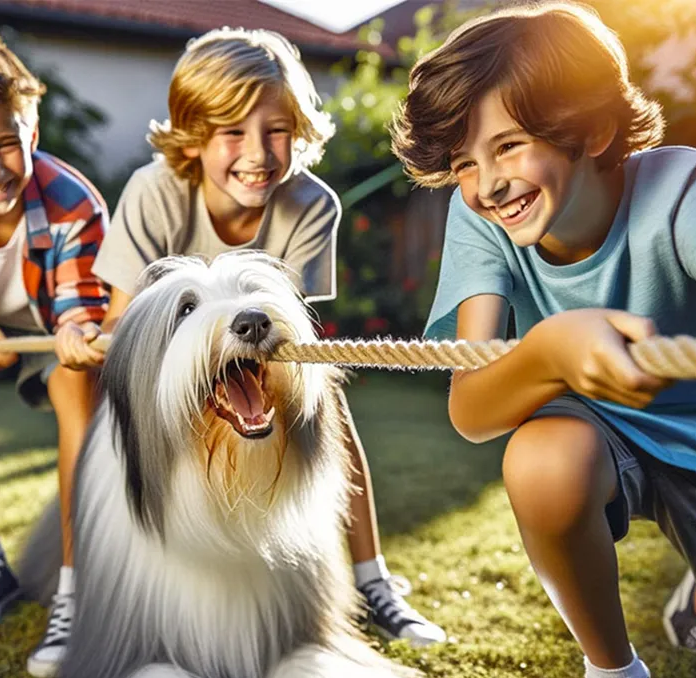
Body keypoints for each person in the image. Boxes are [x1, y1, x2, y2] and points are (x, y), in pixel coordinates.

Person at [390, 0, 696, 678]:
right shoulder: (481, 219)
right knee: (542, 457)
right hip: (600, 440)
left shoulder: (686, 188)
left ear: (590, 129)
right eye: (464, 163)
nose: (484, 185)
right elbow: (473, 407)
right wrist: (551, 349)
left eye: (507, 147)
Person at [56, 28, 445, 646]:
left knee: (329, 403)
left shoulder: (310, 204)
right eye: (232, 133)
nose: (258, 153)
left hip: (260, 350)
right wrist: (83, 337)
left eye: (277, 130)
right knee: (72, 386)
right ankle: (76, 585)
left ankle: (374, 580)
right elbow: (120, 326)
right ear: (194, 138)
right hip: (166, 362)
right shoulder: (153, 192)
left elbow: (295, 337)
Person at [0, 27, 109, 678]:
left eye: (7, 143)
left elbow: (80, 311)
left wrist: (77, 335)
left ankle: (73, 593)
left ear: (32, 132)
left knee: (77, 391)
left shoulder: (74, 206)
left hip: (48, 333)